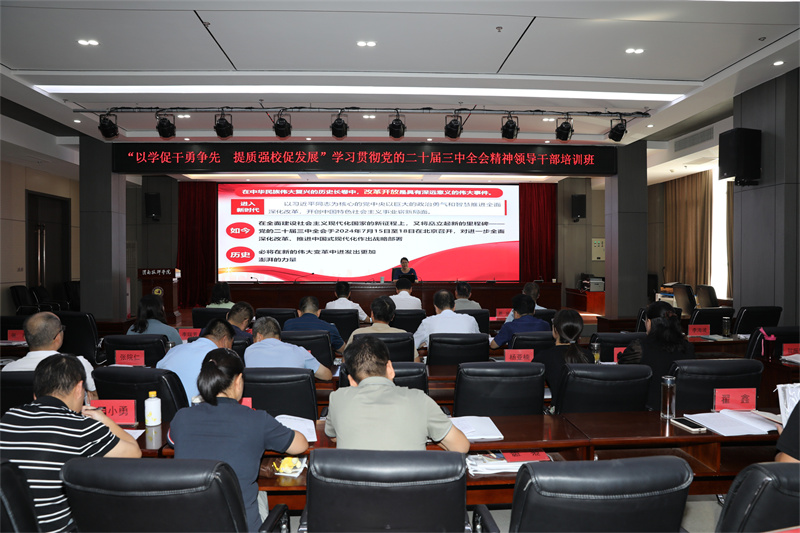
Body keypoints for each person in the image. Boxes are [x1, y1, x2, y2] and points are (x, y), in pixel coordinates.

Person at [168, 348, 308, 532]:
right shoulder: (257, 420)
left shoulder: (182, 417)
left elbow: (172, 441)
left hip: (190, 525)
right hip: (241, 527)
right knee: (259, 493)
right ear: (238, 381)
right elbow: (300, 445)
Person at [0, 354, 141, 532]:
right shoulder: (81, 427)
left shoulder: (8, 418)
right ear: (79, 389)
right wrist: (104, 419)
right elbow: (134, 452)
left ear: (36, 393)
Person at [325, 336, 469, 452]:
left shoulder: (337, 398)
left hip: (355, 481)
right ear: (390, 368)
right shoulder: (420, 400)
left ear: (351, 381)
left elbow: (333, 437)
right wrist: (431, 433)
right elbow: (461, 446)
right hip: (409, 481)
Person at [3, 311, 99, 401]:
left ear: (25, 338)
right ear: (57, 337)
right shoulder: (78, 364)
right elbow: (96, 398)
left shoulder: (8, 370)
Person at [619, 301, 695, 410]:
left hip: (644, 411)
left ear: (649, 322)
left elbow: (621, 372)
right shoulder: (688, 348)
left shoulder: (639, 348)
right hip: (680, 410)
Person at [157, 319, 234, 403]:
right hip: (202, 409)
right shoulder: (221, 358)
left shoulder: (173, 350)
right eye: (231, 345)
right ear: (224, 340)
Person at [245, 317, 333, 380]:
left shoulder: (249, 351)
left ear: (258, 337)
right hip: (294, 400)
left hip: (260, 400)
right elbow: (327, 376)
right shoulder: (299, 351)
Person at [534, 309, 591, 405]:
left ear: (555, 330)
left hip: (558, 412)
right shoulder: (588, 356)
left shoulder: (543, 357)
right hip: (584, 411)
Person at [345, 296, 420, 361]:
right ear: (392, 317)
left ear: (372, 314)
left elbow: (345, 361)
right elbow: (416, 362)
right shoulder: (405, 336)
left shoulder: (357, 334)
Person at [413, 290, 480, 348]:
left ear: (436, 307)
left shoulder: (427, 323)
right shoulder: (470, 320)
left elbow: (412, 345)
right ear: (454, 306)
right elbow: (479, 343)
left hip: (438, 359)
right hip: (466, 359)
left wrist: (425, 344)